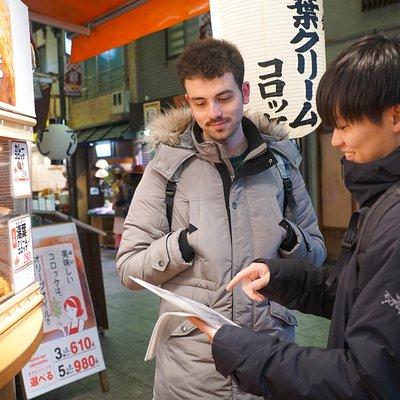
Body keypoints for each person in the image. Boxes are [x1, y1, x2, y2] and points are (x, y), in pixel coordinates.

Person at [190, 33, 400, 399]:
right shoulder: (380, 199)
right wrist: (281, 277)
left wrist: (244, 350)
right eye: (200, 102)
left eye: (345, 125)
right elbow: (357, 296)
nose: (335, 141)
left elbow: (366, 378)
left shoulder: (285, 163)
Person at [116, 38, 326, 399]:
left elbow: (318, 255)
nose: (213, 112)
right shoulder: (167, 170)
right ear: (188, 101)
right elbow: (128, 269)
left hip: (268, 359)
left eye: (224, 98)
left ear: (244, 91)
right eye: (200, 102)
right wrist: (179, 245)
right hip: (191, 370)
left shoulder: (282, 165)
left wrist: (291, 240)